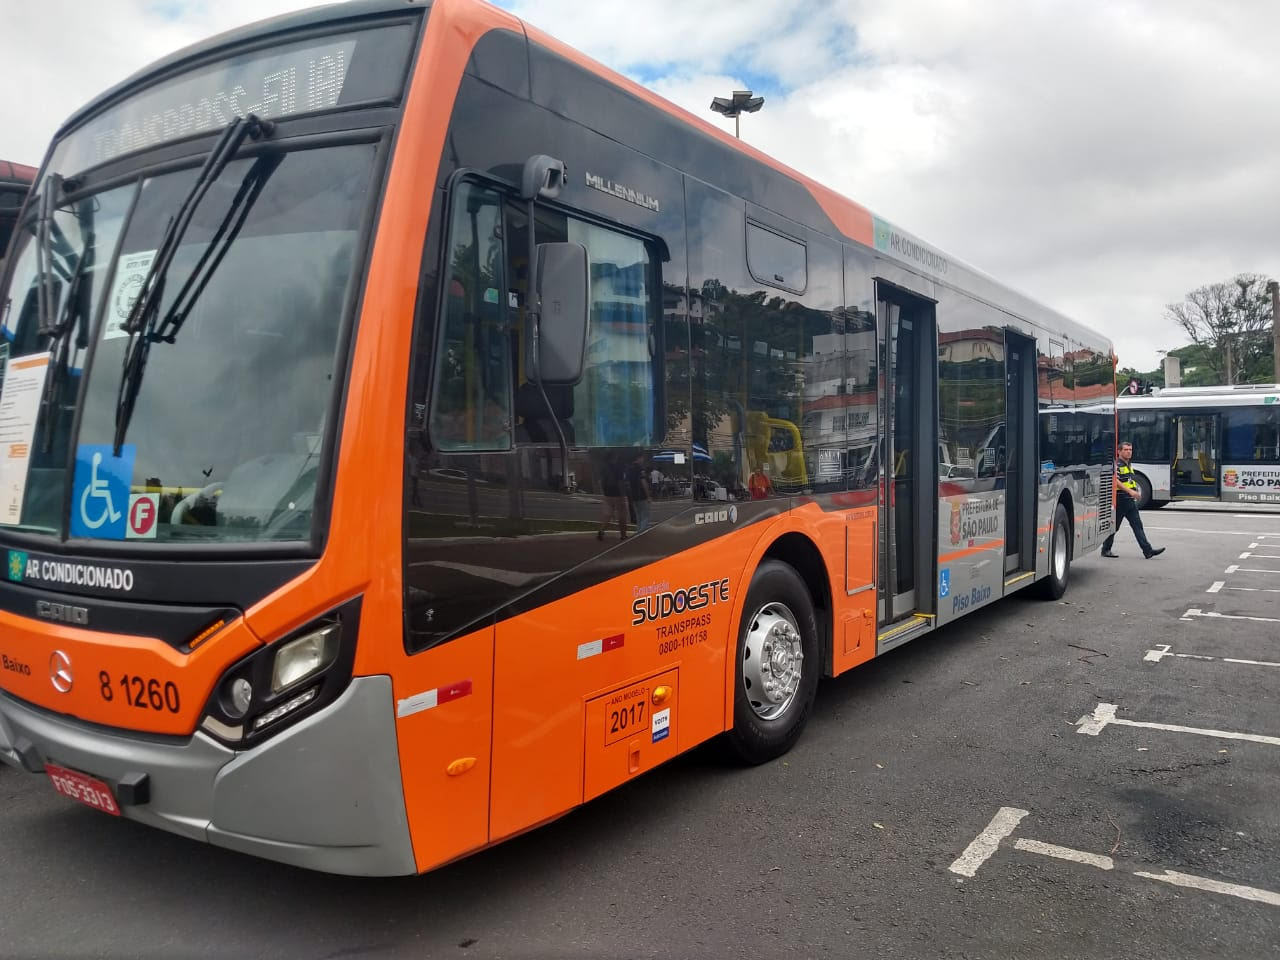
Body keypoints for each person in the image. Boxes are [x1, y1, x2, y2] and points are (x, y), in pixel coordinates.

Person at [1102, 440, 1165, 559]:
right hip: (1120, 499)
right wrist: (1130, 491)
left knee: (1137, 526)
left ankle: (1147, 551)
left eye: (1130, 450)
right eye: (1125, 450)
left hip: (1129, 500)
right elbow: (1115, 481)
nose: (1129, 452)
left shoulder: (1127, 464)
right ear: (1119, 451)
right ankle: (1106, 549)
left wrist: (1133, 491)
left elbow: (1129, 480)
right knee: (1115, 527)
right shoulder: (1117, 465)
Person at [597, 452, 627, 540]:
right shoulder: (618, 467)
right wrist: (622, 494)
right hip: (617, 494)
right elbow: (620, 482)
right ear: (614, 457)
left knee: (608, 515)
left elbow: (601, 482)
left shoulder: (604, 468)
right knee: (622, 516)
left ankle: (602, 530)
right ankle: (623, 535)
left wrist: (603, 492)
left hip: (607, 494)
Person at [626, 453, 652, 533]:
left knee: (638, 515)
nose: (643, 460)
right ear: (638, 458)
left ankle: (638, 530)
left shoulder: (629, 469)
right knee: (645, 515)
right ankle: (642, 532)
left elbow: (627, 483)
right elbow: (643, 482)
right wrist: (648, 496)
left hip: (633, 495)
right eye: (642, 458)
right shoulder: (640, 469)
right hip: (641, 494)